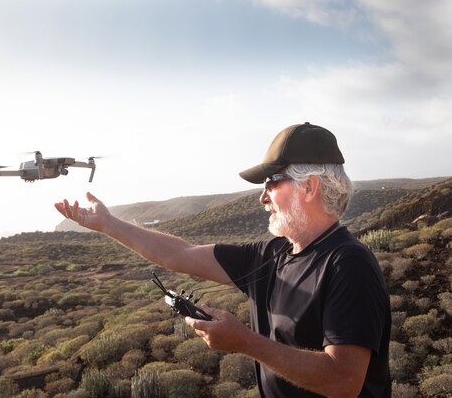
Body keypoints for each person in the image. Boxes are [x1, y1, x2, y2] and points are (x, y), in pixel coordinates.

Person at [55, 122, 391, 398]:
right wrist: (108, 225)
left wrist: (246, 342)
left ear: (309, 188)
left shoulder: (348, 264)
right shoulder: (273, 255)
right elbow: (180, 254)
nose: (263, 196)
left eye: (271, 183)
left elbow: (343, 381)